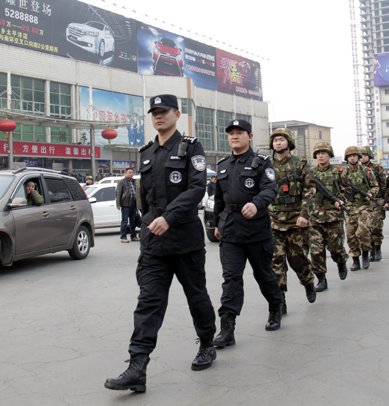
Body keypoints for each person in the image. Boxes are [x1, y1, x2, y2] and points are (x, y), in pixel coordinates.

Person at [105, 94, 216, 393]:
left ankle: (207, 342)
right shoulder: (146, 151)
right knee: (149, 302)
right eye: (154, 112)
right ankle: (137, 366)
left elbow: (197, 188)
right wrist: (146, 223)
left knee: (197, 296)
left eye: (164, 111)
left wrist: (169, 217)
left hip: (184, 239)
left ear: (177, 114)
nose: (158, 116)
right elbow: (145, 195)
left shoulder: (191, 147)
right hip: (154, 242)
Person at [212, 119, 283, 349]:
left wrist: (257, 204)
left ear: (249, 136)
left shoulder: (262, 162)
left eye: (239, 132)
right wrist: (217, 223)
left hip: (256, 230)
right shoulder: (222, 165)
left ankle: (275, 306)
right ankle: (227, 328)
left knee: (264, 274)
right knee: (231, 278)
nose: (235, 136)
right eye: (231, 133)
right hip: (230, 230)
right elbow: (219, 200)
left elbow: (270, 189)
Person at [268, 128, 317, 314]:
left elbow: (310, 190)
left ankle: (308, 282)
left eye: (281, 140)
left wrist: (304, 214)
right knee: (276, 262)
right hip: (273, 222)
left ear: (289, 142)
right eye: (275, 140)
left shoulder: (301, 164)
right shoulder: (267, 165)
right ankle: (280, 300)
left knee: (298, 259)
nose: (278, 143)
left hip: (297, 221)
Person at [309, 142, 349, 292]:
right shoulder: (311, 174)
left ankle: (341, 262)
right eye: (318, 153)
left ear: (329, 155)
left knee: (336, 248)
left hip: (334, 217)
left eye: (323, 153)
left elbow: (347, 191)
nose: (320, 155)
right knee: (316, 251)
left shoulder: (338, 172)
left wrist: (341, 200)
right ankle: (321, 279)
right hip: (315, 218)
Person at [339, 146, 379, 271]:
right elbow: (339, 189)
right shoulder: (344, 173)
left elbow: (375, 186)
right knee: (351, 235)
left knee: (363, 232)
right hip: (350, 208)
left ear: (358, 157)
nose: (352, 158)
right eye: (350, 156)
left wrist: (371, 194)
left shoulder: (366, 171)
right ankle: (355, 260)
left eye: (354, 156)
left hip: (364, 207)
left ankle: (365, 255)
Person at [360, 147, 389, 262]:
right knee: (365, 227)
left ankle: (377, 249)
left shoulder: (377, 168)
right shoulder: (357, 170)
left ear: (369, 156)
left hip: (377, 200)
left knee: (376, 226)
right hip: (363, 202)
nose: (362, 158)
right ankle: (369, 250)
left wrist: (386, 202)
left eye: (365, 155)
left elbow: (385, 186)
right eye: (360, 155)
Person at [116, 167, 139, 243]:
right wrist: (118, 204)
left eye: (132, 172)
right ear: (125, 173)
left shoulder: (134, 181)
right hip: (125, 204)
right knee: (125, 221)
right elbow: (118, 193)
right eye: (129, 172)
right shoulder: (122, 182)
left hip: (133, 203)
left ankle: (133, 236)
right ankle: (123, 237)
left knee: (133, 221)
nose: (131, 174)